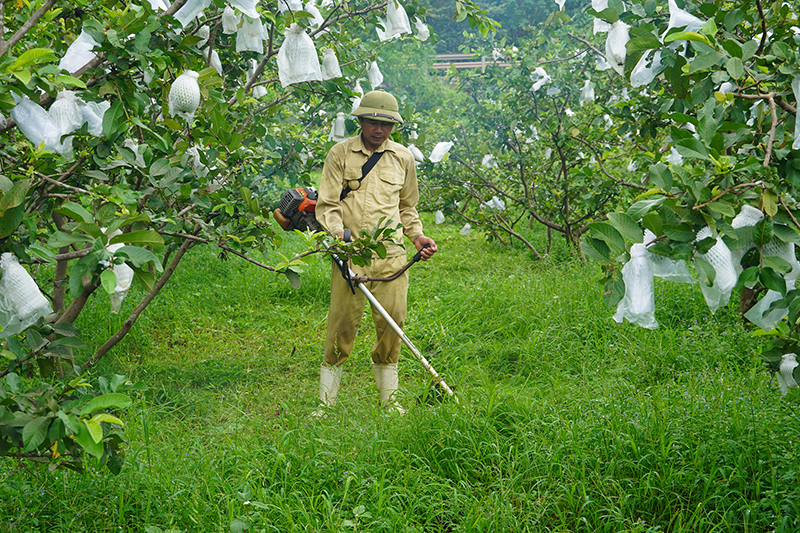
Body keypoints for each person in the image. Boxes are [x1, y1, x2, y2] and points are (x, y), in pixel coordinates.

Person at [314, 90, 437, 413]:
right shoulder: (340, 154)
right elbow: (327, 205)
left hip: (392, 256)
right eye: (372, 122)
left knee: (393, 325)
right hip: (351, 257)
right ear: (361, 121)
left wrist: (418, 236)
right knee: (341, 326)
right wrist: (340, 238)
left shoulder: (403, 158)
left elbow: (407, 207)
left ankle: (390, 404)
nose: (378, 130)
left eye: (385, 124)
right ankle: (325, 406)